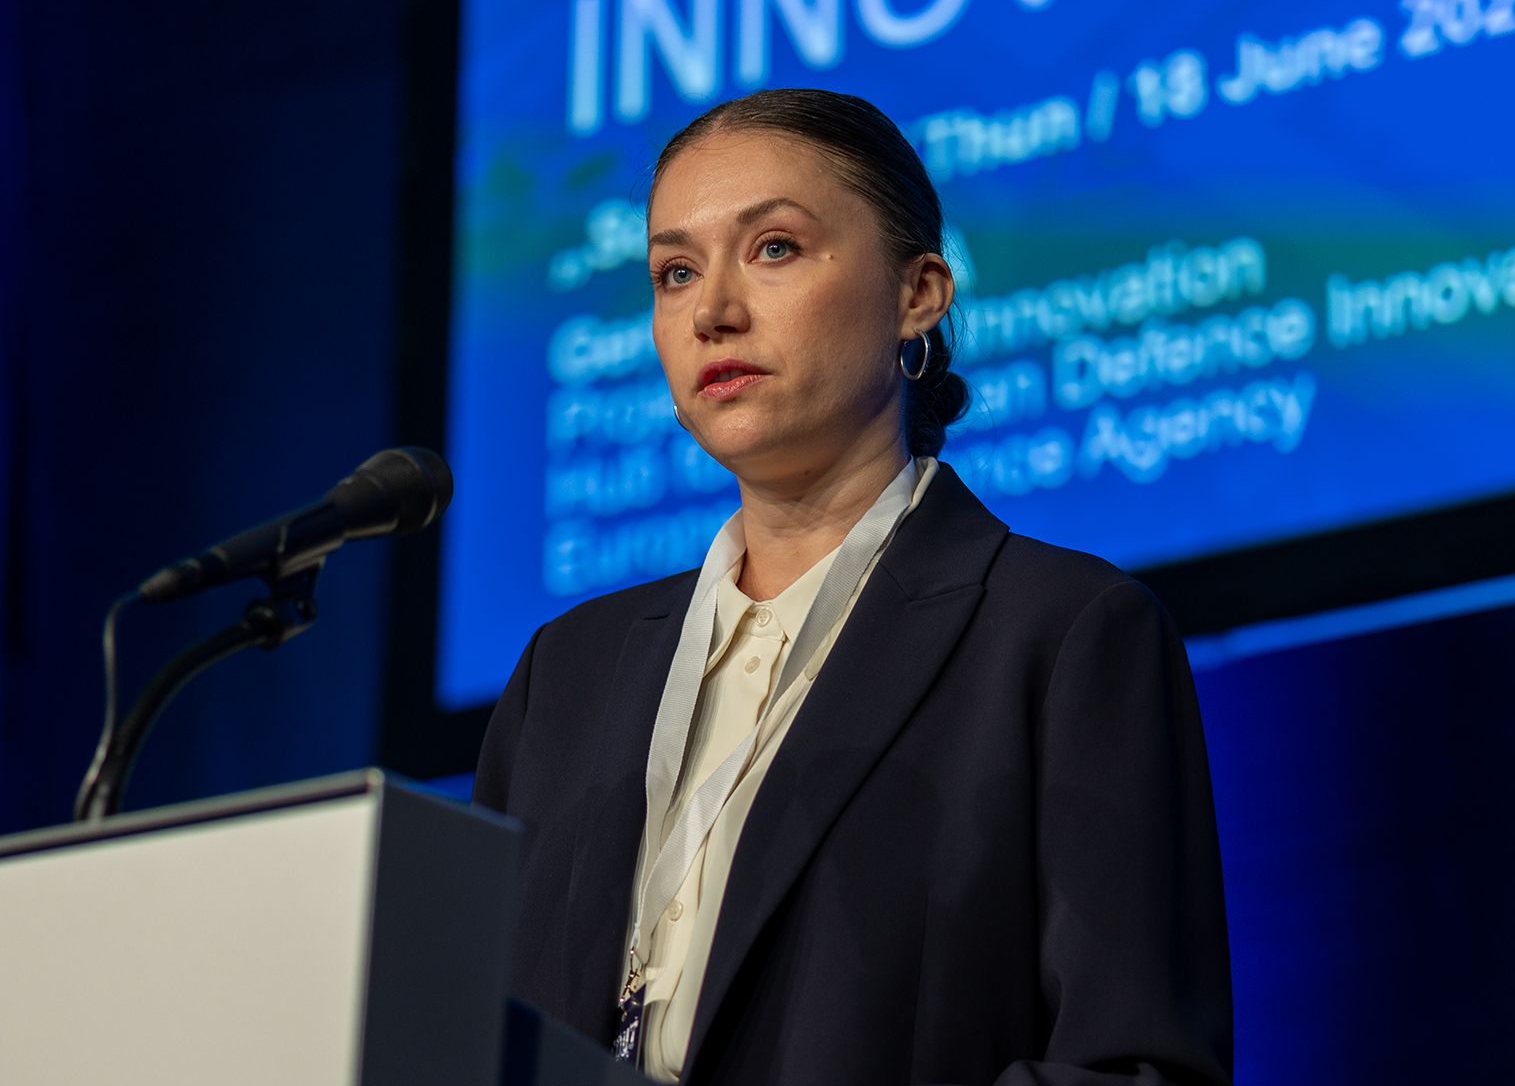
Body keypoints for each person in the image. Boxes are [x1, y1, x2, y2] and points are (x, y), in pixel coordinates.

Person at [473, 88, 1232, 1086]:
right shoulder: (565, 677)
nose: (714, 311)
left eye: (775, 247)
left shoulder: (1058, 637)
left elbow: (1136, 1067)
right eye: (674, 271)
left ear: (918, 292)